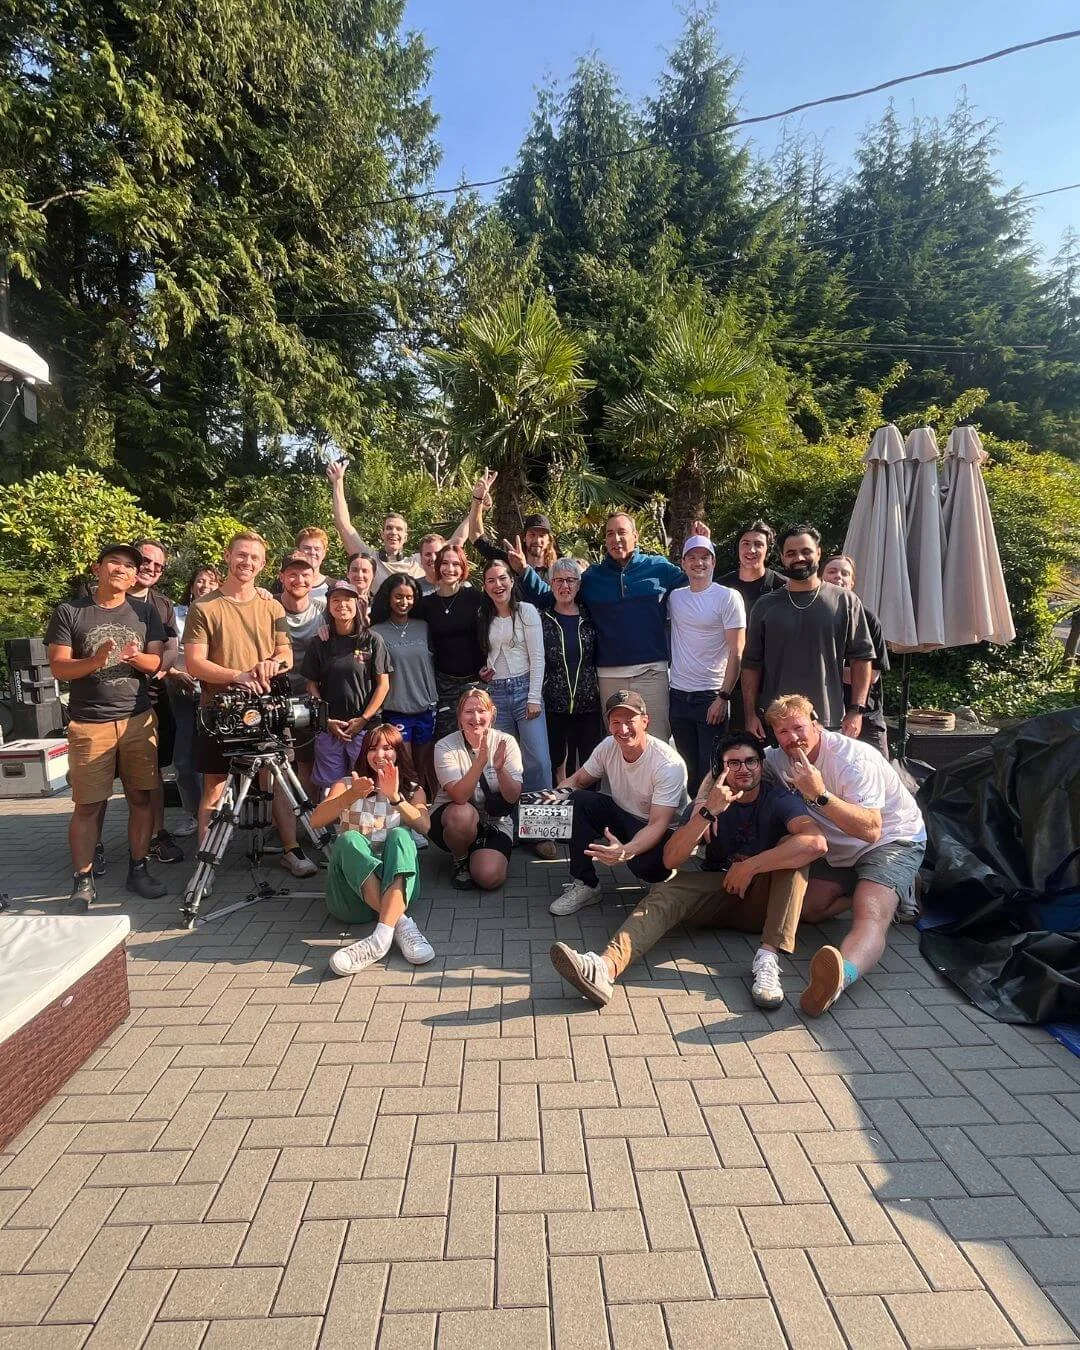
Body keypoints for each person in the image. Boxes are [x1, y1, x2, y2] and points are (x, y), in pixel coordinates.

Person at [550, 733, 827, 1009]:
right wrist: (707, 814)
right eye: (733, 763)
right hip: (719, 891)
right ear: (721, 769)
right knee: (666, 891)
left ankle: (767, 959)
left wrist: (750, 866)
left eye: (750, 761)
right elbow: (671, 859)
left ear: (761, 764)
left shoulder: (778, 799)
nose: (743, 769)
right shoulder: (706, 805)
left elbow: (816, 842)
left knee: (795, 852)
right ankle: (603, 968)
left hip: (764, 900)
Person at [764, 694, 926, 1016]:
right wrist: (703, 805)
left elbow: (871, 830)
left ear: (816, 724)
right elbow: (735, 761)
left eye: (798, 727)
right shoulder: (778, 758)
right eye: (782, 731)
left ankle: (841, 977)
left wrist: (819, 794)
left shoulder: (853, 759)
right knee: (809, 910)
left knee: (871, 913)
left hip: (890, 840)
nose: (792, 738)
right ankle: (899, 888)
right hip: (839, 848)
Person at [182, 530, 317, 878]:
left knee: (279, 781)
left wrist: (273, 664)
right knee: (214, 787)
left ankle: (290, 849)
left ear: (263, 564)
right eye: (241, 555)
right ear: (228, 556)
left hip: (267, 709)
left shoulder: (271, 606)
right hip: (219, 711)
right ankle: (205, 866)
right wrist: (238, 676)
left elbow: (286, 653)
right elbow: (194, 663)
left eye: (255, 557)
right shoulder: (204, 606)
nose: (247, 562)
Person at [46, 542, 168, 907]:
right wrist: (95, 661)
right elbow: (59, 667)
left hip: (137, 719)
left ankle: (138, 869)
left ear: (133, 578)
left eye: (129, 566)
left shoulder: (145, 612)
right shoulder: (70, 611)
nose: (121, 569)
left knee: (141, 798)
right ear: (98, 568)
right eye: (114, 562)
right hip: (89, 723)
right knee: (88, 804)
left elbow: (156, 663)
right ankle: (83, 880)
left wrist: (135, 657)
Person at [511, 512, 700, 743]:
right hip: (610, 676)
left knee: (656, 742)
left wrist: (698, 548)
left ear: (635, 536)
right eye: (610, 534)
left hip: (651, 672)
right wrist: (524, 570)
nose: (616, 539)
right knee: (616, 744)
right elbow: (554, 596)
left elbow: (697, 588)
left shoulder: (659, 568)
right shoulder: (592, 578)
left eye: (621, 532)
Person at [309, 723, 435, 976]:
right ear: (363, 753)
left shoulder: (413, 789)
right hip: (350, 901)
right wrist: (351, 795)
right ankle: (399, 925)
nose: (379, 755)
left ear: (398, 752)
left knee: (401, 835)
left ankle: (379, 940)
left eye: (387, 748)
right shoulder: (346, 784)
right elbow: (316, 821)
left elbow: (424, 826)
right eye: (372, 748)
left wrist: (395, 797)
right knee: (349, 840)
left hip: (397, 890)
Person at [549, 690, 686, 916]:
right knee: (578, 800)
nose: (622, 730)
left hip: (657, 828)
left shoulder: (668, 764)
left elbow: (658, 824)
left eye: (630, 721)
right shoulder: (608, 746)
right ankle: (586, 884)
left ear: (645, 721)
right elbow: (578, 781)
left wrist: (625, 851)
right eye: (616, 722)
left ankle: (667, 873)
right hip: (623, 814)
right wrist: (547, 805)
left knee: (646, 867)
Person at [742, 524, 874, 741]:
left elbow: (862, 658)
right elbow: (750, 665)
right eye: (791, 553)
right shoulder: (765, 606)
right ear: (782, 558)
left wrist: (857, 710)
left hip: (828, 721)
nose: (799, 558)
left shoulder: (845, 601)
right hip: (777, 723)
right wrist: (750, 716)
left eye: (806, 551)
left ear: (819, 553)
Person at [667, 534, 746, 797]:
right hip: (678, 695)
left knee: (711, 770)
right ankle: (691, 818)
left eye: (704, 557)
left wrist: (723, 697)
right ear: (683, 563)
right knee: (686, 769)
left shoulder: (728, 597)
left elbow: (737, 651)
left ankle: (710, 819)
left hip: (710, 696)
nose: (698, 563)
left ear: (713, 562)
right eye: (691, 557)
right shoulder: (675, 598)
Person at [126, 538, 186, 866]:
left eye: (158, 565)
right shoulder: (98, 598)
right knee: (102, 781)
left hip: (151, 697)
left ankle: (157, 834)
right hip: (106, 701)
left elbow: (172, 647)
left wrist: (162, 669)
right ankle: (95, 845)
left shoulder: (162, 604)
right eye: (145, 561)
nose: (150, 568)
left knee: (153, 772)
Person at [430, 686, 523, 891]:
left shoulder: (506, 741)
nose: (476, 718)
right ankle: (460, 859)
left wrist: (500, 770)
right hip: (453, 818)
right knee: (462, 814)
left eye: (482, 711)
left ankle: (480, 853)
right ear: (459, 716)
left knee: (489, 877)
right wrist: (480, 762)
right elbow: (460, 796)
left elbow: (513, 796)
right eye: (469, 712)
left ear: (492, 713)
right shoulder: (444, 746)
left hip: (494, 822)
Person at [302, 580, 392, 790]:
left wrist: (363, 719)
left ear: (357, 604)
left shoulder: (372, 640)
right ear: (329, 605)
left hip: (364, 728)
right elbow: (311, 684)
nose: (342, 604)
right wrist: (326, 719)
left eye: (348, 600)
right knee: (332, 788)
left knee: (367, 785)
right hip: (330, 728)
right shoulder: (319, 642)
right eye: (336, 599)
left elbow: (383, 685)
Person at [326, 458, 467, 590]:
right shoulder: (370, 560)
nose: (393, 532)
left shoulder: (420, 561)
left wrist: (476, 504)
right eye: (389, 528)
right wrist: (338, 482)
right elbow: (344, 526)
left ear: (405, 537)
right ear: (382, 534)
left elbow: (457, 541)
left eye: (399, 529)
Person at [478, 559, 551, 791]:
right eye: (491, 580)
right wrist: (485, 670)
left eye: (502, 578)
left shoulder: (526, 611)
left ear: (511, 581)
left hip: (525, 689)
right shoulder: (483, 615)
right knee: (504, 760)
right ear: (485, 586)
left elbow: (537, 657)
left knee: (538, 760)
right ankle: (510, 812)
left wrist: (534, 697)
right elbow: (489, 653)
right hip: (496, 692)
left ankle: (540, 810)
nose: (497, 585)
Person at [370, 574, 439, 796]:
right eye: (398, 596)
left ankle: (423, 811)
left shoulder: (424, 626)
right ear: (388, 597)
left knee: (423, 768)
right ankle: (405, 810)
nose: (404, 602)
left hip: (426, 708)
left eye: (409, 597)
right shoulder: (376, 632)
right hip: (396, 710)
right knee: (406, 770)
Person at [540, 558, 604, 781]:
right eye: (558, 580)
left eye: (570, 580)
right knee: (556, 761)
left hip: (588, 703)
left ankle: (587, 801)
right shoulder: (542, 618)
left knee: (589, 763)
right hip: (554, 703)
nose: (564, 586)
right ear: (550, 584)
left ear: (578, 584)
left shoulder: (591, 617)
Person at [166, 565, 218, 836]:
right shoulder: (175, 614)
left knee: (219, 759)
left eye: (211, 582)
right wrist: (174, 673)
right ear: (191, 585)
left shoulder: (222, 612)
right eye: (200, 580)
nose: (205, 586)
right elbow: (164, 652)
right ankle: (192, 814)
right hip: (184, 695)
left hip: (216, 695)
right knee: (184, 761)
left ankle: (220, 813)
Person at [415, 543, 488, 740]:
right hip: (443, 684)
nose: (450, 569)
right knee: (447, 740)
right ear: (438, 566)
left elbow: (494, 630)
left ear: (463, 568)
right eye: (445, 563)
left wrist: (490, 664)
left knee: (478, 739)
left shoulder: (475, 598)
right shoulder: (425, 605)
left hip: (476, 680)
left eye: (456, 564)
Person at [821, 554, 890, 757]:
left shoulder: (868, 619)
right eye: (832, 571)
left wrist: (822, 669)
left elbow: (872, 675)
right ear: (821, 577)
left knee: (878, 771)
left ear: (852, 582)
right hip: (823, 715)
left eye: (845, 573)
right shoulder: (811, 617)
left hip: (866, 715)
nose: (838, 577)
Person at [278, 552, 327, 789]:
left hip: (310, 698)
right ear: (281, 577)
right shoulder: (267, 606)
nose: (299, 580)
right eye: (293, 574)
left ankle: (309, 813)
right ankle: (278, 814)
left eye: (305, 574)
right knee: (277, 766)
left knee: (308, 763)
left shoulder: (324, 610)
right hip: (276, 698)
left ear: (314, 577)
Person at [465, 469, 559, 581]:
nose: (537, 540)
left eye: (542, 536)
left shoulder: (558, 574)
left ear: (549, 540)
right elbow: (476, 536)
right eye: (532, 535)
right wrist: (478, 499)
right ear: (524, 537)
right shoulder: (509, 562)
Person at [717, 519, 786, 614]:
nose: (751, 550)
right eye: (746, 544)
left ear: (768, 550)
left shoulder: (784, 587)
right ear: (737, 547)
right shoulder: (720, 587)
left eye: (758, 544)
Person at [293, 527, 334, 600]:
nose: (312, 552)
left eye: (317, 549)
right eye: (307, 548)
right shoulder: (285, 584)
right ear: (298, 551)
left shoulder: (334, 587)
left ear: (324, 553)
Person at [345, 552, 376, 617]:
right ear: (347, 573)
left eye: (365, 571)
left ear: (373, 575)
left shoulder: (380, 604)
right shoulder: (337, 602)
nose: (359, 575)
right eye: (354, 570)